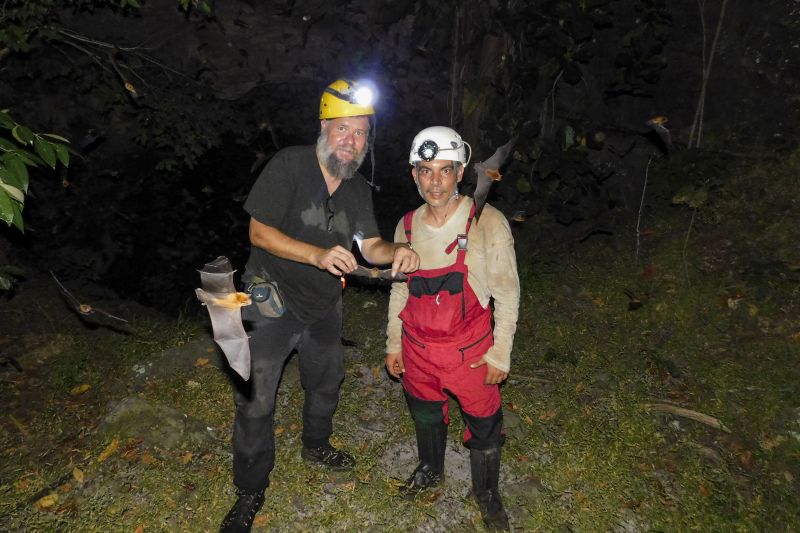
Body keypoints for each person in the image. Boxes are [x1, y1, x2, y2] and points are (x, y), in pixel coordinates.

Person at [220, 78, 419, 533]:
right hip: (269, 297)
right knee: (255, 397)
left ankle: (316, 445)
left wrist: (398, 250)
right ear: (324, 126)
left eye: (361, 133)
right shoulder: (289, 165)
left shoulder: (356, 187)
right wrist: (316, 254)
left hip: (324, 303)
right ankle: (251, 489)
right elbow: (258, 233)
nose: (351, 141)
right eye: (343, 129)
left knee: (327, 380)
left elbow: (370, 246)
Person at [385, 126, 520, 531]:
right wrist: (394, 344)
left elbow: (507, 294)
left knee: (484, 421)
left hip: (470, 352)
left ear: (461, 171)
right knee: (425, 413)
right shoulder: (405, 227)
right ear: (414, 175)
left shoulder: (486, 222)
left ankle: (487, 492)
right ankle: (430, 468)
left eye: (445, 170)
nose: (435, 182)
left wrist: (500, 353)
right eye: (426, 171)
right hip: (418, 350)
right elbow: (399, 292)